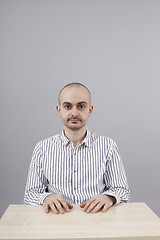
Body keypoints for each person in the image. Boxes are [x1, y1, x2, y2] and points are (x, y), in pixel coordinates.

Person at [24, 82, 130, 214]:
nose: (74, 113)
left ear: (89, 110)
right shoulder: (42, 148)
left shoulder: (108, 146)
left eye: (81, 106)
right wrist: (46, 197)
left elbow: (122, 191)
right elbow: (30, 195)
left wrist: (108, 197)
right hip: (56, 221)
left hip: (98, 221)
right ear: (59, 110)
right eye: (68, 106)